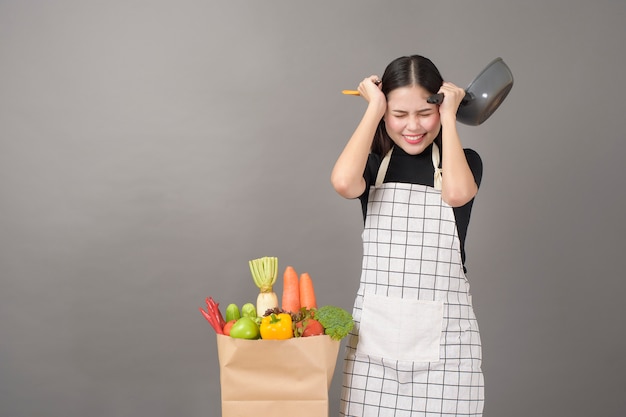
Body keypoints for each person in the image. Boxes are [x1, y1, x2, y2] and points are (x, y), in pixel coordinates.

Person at [331, 55, 484, 417]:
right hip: (375, 350)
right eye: (399, 115)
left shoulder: (463, 162)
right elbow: (342, 182)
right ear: (385, 114)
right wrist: (374, 109)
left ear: (440, 107)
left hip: (447, 351)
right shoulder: (371, 166)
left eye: (424, 113)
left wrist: (449, 116)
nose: (412, 126)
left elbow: (457, 194)